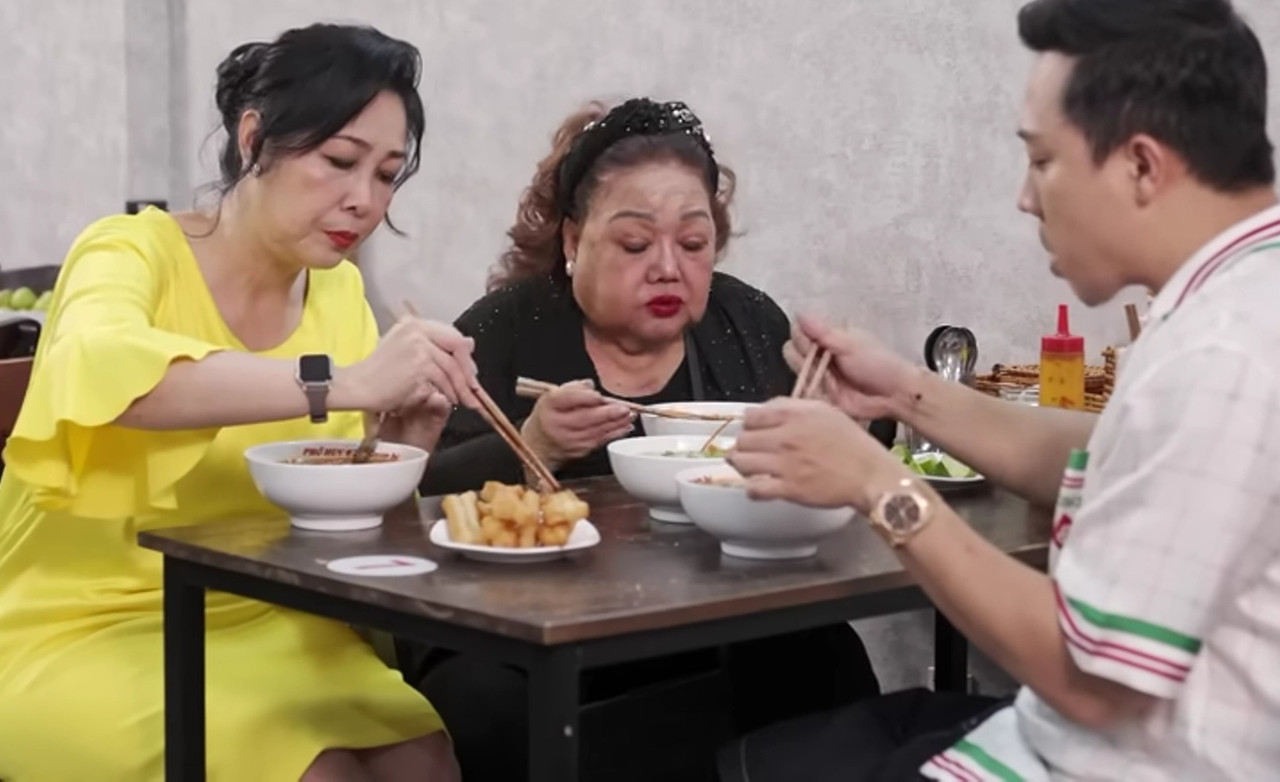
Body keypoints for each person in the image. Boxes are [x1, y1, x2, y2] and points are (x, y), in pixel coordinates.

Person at [718, 1, 1280, 780]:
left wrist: (878, 485)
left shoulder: (1224, 353)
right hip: (1068, 740)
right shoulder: (1238, 298)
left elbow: (1091, 683)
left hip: (1115, 759)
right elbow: (1103, 453)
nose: (1024, 196)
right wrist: (905, 393)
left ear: (1143, 167)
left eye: (1042, 161)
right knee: (776, 751)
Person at [0, 24, 477, 782]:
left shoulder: (339, 291)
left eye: (387, 175)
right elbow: (108, 375)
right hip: (82, 623)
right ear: (254, 138)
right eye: (340, 161)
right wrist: (342, 383)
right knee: (317, 774)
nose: (364, 199)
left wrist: (404, 445)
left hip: (270, 614)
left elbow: (339, 512)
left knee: (427, 762)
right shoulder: (129, 251)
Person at [403, 98, 888, 781]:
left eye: (693, 244)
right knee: (482, 703)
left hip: (709, 615)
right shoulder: (504, 330)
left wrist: (842, 426)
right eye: (635, 244)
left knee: (820, 655)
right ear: (573, 241)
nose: (667, 267)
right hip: (520, 629)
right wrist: (534, 446)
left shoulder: (745, 322)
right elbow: (417, 497)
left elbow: (817, 472)